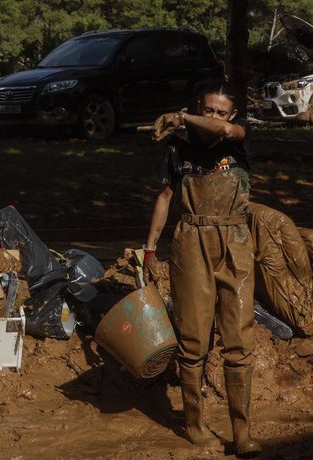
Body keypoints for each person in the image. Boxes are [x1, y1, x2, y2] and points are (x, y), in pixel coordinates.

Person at [143, 81, 261, 457]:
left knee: (239, 342)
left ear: (232, 115)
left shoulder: (238, 139)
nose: (212, 118)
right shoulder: (178, 147)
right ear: (199, 107)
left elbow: (225, 131)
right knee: (193, 339)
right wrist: (149, 248)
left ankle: (241, 434)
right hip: (191, 240)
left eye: (220, 111)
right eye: (206, 109)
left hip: (236, 242)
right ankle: (194, 423)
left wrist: (183, 116)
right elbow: (164, 198)